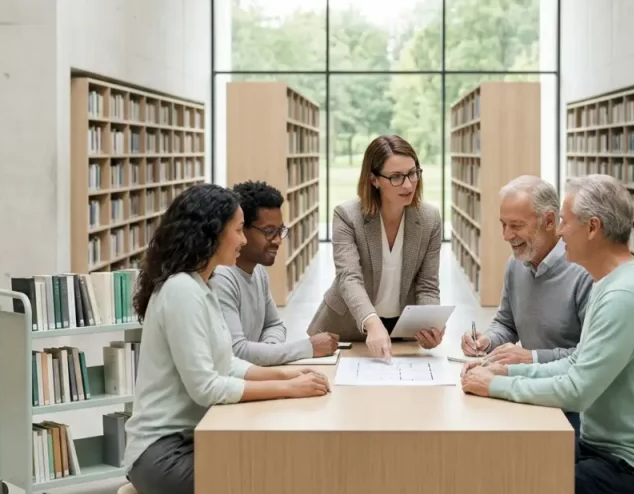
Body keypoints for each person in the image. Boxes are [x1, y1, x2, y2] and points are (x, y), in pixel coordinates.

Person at [460, 174, 634, 494]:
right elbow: (579, 363)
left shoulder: (624, 296)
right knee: (518, 487)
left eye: (565, 221)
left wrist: (496, 386)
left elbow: (576, 390)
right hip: (608, 448)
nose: (560, 231)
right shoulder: (610, 284)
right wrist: (505, 373)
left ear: (593, 228)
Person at [123, 183, 331, 494]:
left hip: (192, 439)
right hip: (162, 454)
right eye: (238, 230)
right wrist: (288, 388)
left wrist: (287, 376)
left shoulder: (199, 287)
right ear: (212, 234)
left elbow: (228, 363)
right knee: (272, 481)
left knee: (284, 463)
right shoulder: (182, 292)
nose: (244, 240)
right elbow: (207, 387)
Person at [460, 176, 593, 430]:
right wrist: (487, 340)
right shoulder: (516, 265)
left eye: (516, 226)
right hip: (529, 390)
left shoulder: (584, 272)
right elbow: (506, 323)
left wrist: (531, 357)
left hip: (572, 405)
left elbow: (587, 356)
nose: (506, 235)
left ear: (550, 221)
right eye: (503, 225)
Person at [307, 135, 444, 360]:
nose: (408, 184)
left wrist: (429, 323)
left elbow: (428, 286)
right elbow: (349, 278)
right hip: (347, 328)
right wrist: (372, 322)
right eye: (396, 177)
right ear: (374, 180)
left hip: (402, 330)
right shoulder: (347, 216)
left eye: (412, 173)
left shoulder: (430, 219)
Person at [211, 180, 338, 365]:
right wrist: (307, 348)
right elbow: (236, 351)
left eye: (280, 231)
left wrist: (268, 352)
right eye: (269, 231)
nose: (278, 240)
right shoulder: (221, 277)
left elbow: (274, 325)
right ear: (241, 228)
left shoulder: (259, 271)